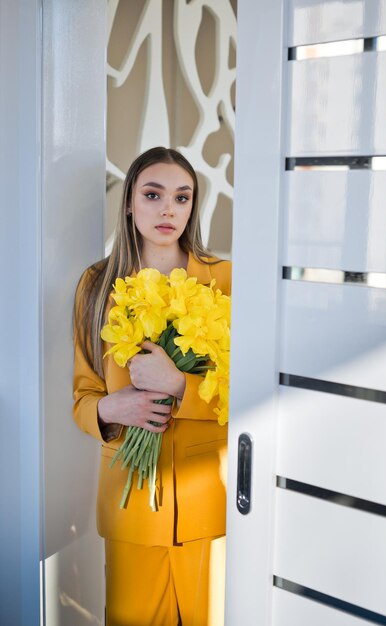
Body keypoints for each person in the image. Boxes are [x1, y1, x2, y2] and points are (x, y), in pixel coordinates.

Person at [72, 146, 231, 626]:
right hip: (131, 505)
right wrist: (109, 410)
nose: (168, 209)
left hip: (210, 506)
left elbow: (249, 395)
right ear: (129, 202)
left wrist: (180, 385)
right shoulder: (96, 285)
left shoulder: (223, 281)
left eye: (182, 198)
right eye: (153, 194)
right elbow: (82, 397)